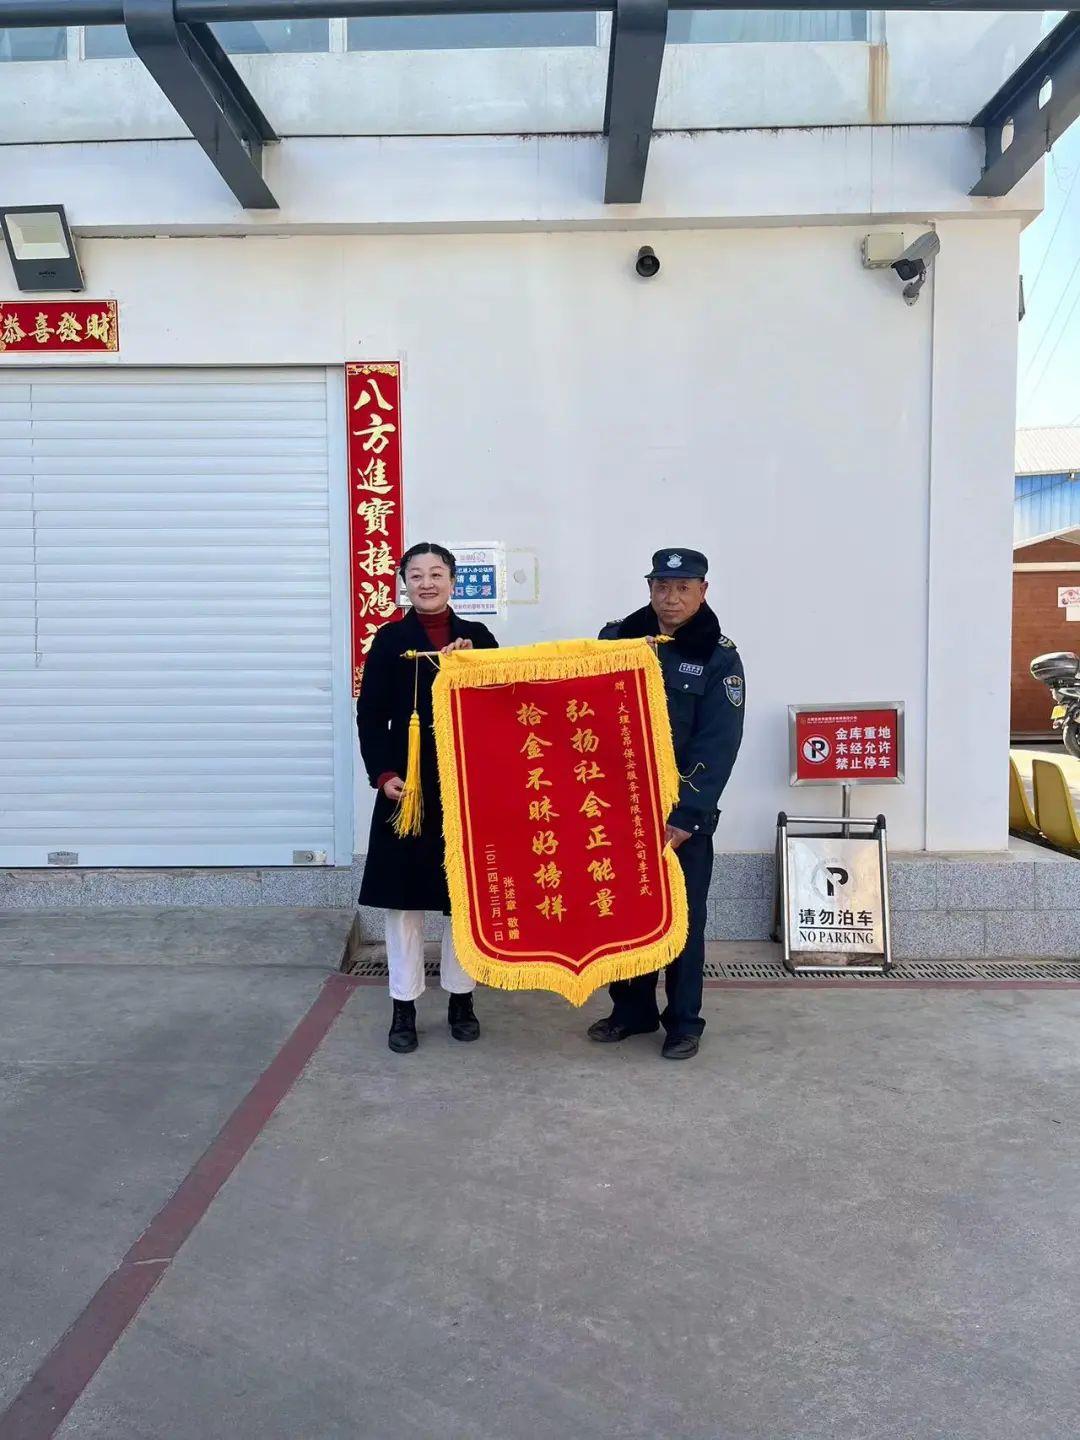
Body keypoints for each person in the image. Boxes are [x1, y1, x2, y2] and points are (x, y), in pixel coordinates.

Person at [588, 548, 744, 1060]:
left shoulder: (718, 656)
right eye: (662, 586)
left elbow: (717, 745)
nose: (671, 598)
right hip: (620, 811)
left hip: (682, 817)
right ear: (649, 588)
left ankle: (683, 1022)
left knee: (684, 920)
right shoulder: (617, 639)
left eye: (683, 588)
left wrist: (687, 817)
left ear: (703, 591)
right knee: (626, 915)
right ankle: (631, 1011)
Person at [357, 542, 498, 1054]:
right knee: (403, 903)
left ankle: (462, 998)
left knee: (462, 897)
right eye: (416, 575)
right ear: (404, 583)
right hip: (408, 788)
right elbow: (370, 714)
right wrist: (383, 774)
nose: (427, 583)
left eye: (437, 574)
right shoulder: (390, 639)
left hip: (464, 787)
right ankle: (404, 1006)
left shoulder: (478, 637)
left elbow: (503, 705)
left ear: (453, 582)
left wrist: (473, 664)